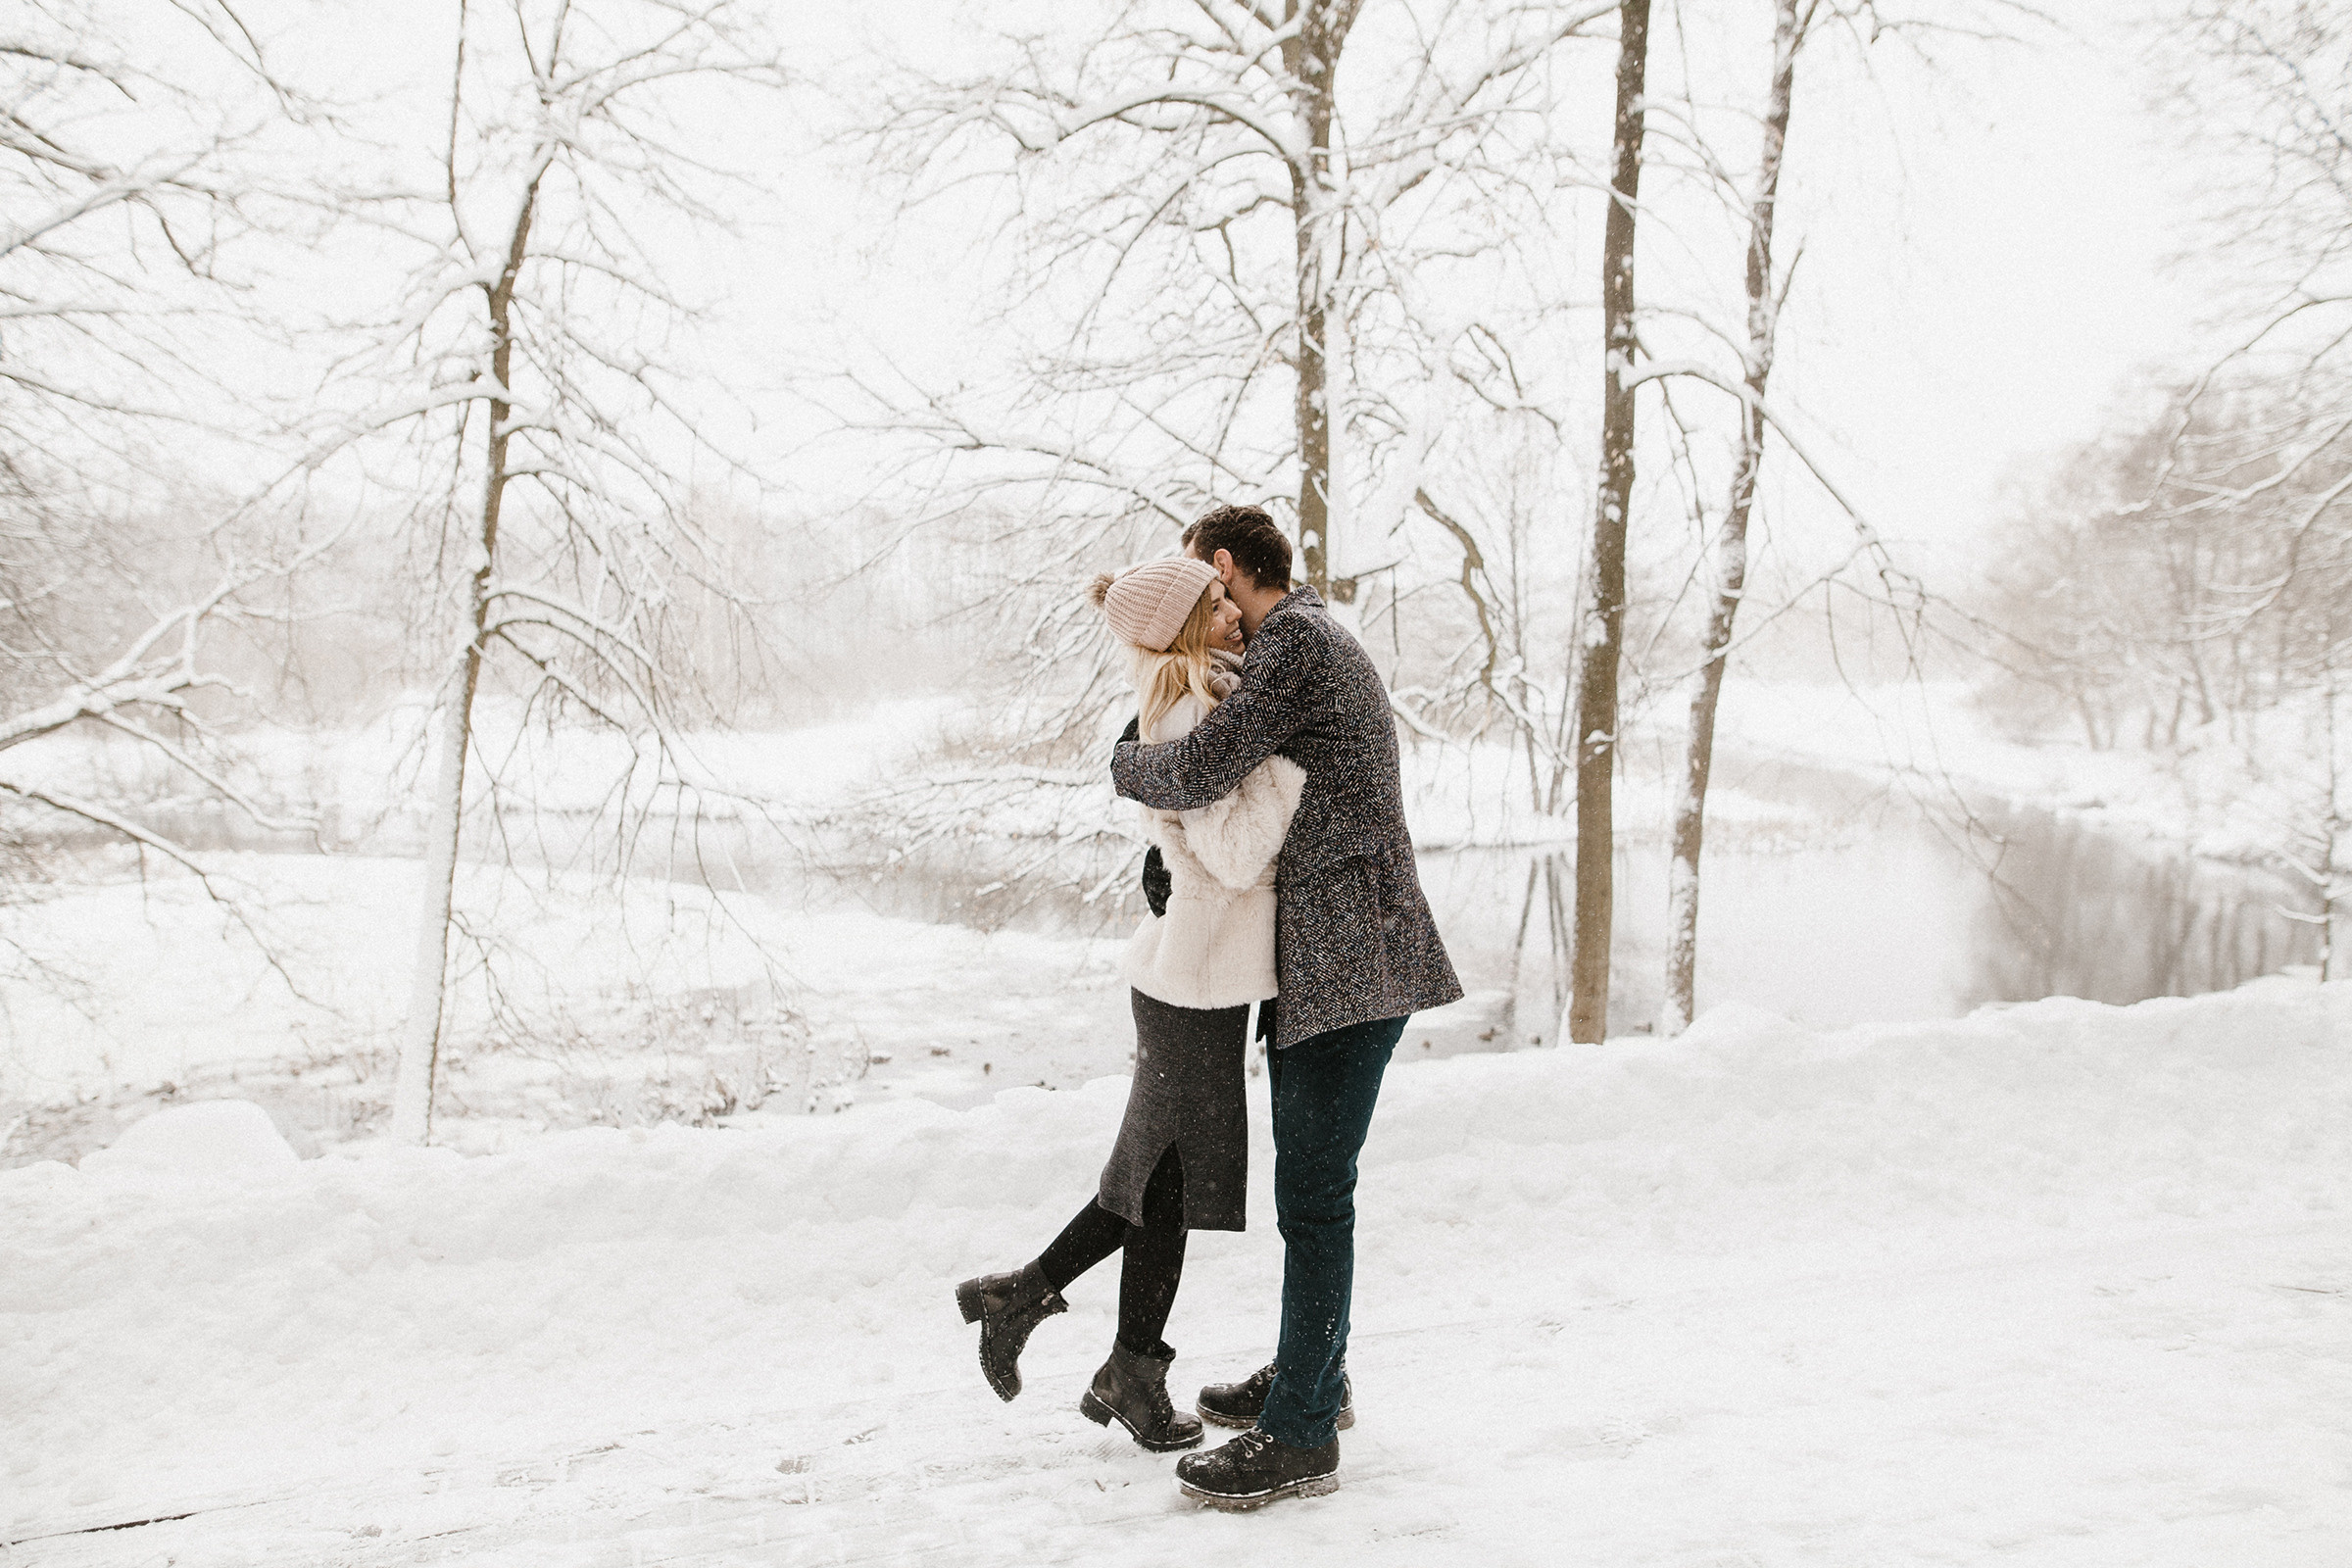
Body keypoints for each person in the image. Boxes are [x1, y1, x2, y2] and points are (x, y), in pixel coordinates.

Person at [1111, 503, 1463, 1511]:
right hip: (1343, 961)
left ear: (1224, 566)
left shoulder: (1295, 644)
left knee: (1313, 1196)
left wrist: (1123, 765)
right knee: (1313, 1189)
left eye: (1204, 585)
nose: (1205, 606)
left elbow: (1195, 765)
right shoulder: (1304, 638)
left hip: (1351, 966)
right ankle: (1313, 1375)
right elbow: (1219, 754)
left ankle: (1302, 1431)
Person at [955, 555, 1305, 1453]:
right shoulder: (1191, 709)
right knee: (1157, 1187)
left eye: (1229, 597)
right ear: (1185, 623)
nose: (1234, 612)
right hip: (1194, 981)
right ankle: (1045, 1313)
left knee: (1163, 1187)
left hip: (1197, 977)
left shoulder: (1202, 698)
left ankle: (1111, 1356)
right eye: (1217, 603)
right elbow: (1233, 856)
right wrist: (1285, 770)